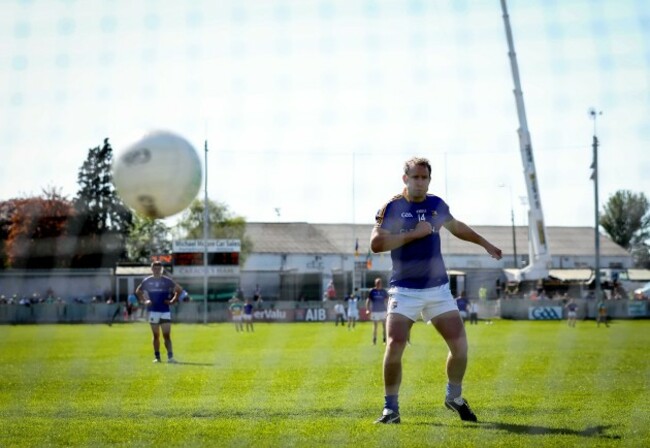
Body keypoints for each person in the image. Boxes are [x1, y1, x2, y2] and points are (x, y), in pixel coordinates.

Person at [370, 157, 502, 424]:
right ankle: (390, 409)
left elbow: (456, 227)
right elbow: (376, 244)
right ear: (405, 178)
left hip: (438, 289)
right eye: (415, 177)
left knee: (460, 347)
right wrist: (413, 235)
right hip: (403, 290)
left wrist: (485, 243)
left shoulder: (436, 205)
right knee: (395, 345)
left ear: (429, 180)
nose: (420, 182)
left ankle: (454, 397)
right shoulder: (393, 207)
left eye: (424, 178)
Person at [135, 261, 182, 363]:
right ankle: (157, 357)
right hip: (153, 311)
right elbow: (138, 291)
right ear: (152, 269)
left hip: (165, 311)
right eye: (155, 269)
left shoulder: (167, 281)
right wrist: (145, 300)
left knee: (167, 335)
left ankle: (170, 357)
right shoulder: (147, 281)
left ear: (161, 270)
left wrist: (172, 301)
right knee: (156, 336)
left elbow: (179, 289)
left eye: (159, 269)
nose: (157, 271)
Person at [366, 277, 389, 345]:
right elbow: (368, 300)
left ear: (381, 283)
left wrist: (389, 309)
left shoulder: (384, 291)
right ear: (375, 283)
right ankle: (374, 340)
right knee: (375, 326)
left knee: (384, 326)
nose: (378, 284)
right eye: (377, 283)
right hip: (375, 311)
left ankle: (384, 340)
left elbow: (387, 301)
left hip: (383, 311)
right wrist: (367, 309)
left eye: (379, 283)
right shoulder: (372, 291)